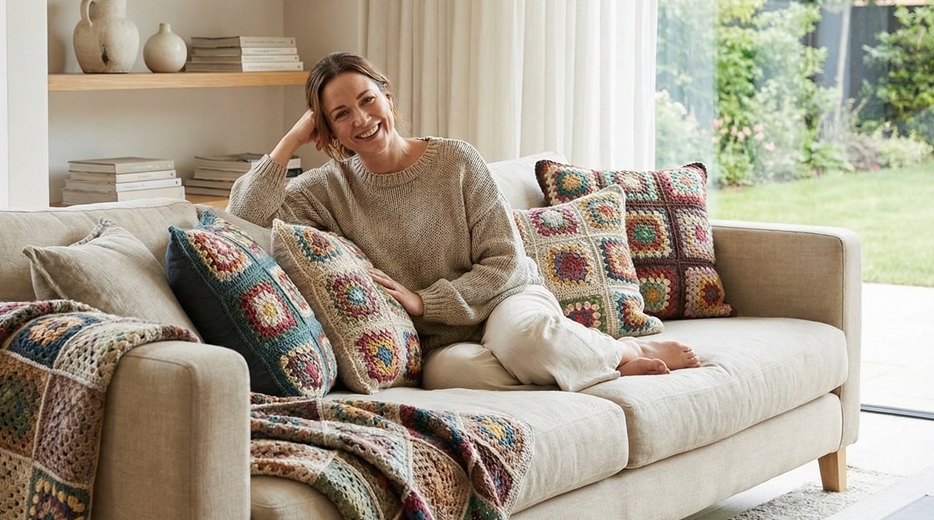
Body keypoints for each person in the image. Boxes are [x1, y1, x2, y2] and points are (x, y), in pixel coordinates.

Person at [227, 52, 699, 392]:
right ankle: (577, 360)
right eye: (340, 115)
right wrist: (289, 141)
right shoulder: (326, 190)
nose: (362, 119)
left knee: (527, 340)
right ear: (326, 130)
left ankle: (622, 353)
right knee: (454, 377)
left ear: (388, 98)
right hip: (438, 340)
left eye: (368, 100)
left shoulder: (454, 160)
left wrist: (423, 301)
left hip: (502, 301)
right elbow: (242, 217)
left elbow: (505, 261)